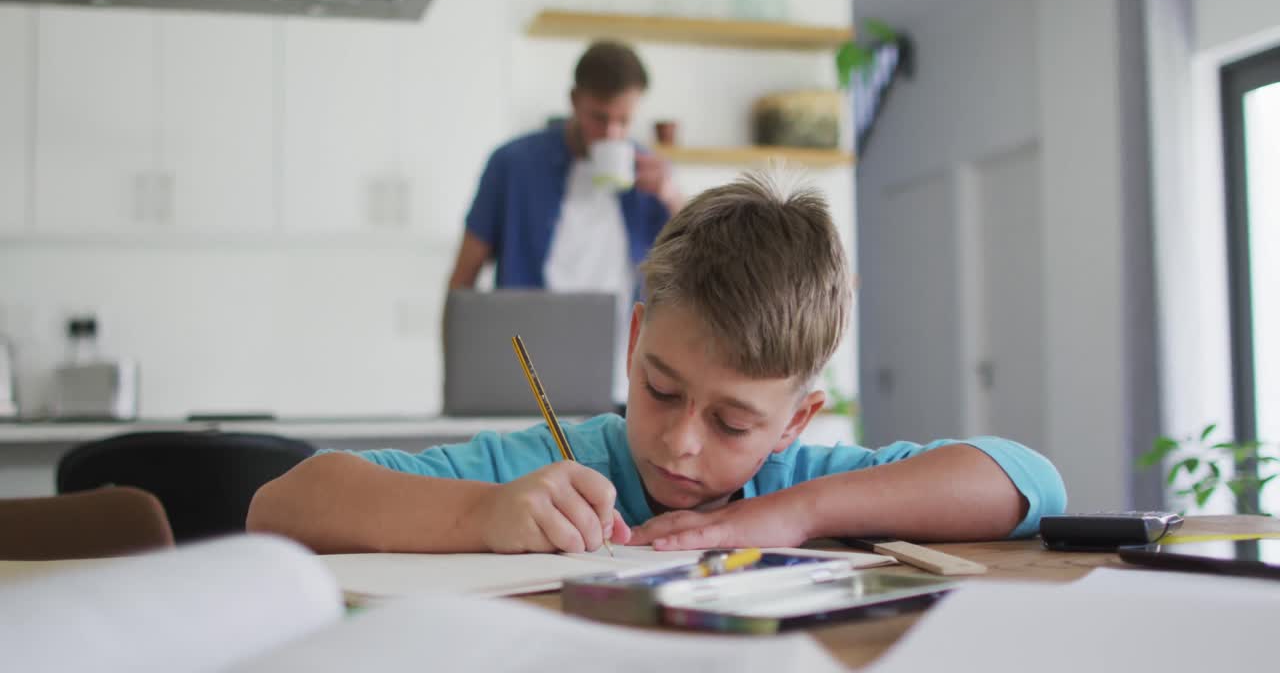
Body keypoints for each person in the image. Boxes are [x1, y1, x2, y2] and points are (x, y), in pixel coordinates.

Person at [248, 171, 1066, 554]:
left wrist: (791, 516)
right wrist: (485, 515)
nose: (680, 443)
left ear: (796, 422)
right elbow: (283, 505)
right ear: (634, 342)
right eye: (661, 389)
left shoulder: (797, 483)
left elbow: (1029, 481)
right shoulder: (546, 469)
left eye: (734, 422)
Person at [447, 41, 681, 403]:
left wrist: (671, 196)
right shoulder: (512, 164)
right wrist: (457, 385)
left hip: (621, 387)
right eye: (599, 118)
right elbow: (462, 280)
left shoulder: (651, 176)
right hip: (525, 384)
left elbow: (698, 267)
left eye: (624, 121)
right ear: (574, 100)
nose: (612, 134)